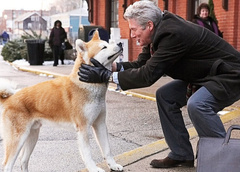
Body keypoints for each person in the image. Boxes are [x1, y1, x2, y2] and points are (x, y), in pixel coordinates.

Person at [78, 1, 240, 169]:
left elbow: (148, 75)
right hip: (205, 76)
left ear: (149, 26)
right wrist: (112, 67)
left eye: (133, 29)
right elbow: (142, 64)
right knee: (165, 96)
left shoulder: (172, 34)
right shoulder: (157, 31)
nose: (132, 35)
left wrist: (106, 76)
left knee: (198, 104)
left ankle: (225, 158)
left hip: (229, 74)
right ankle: (181, 154)